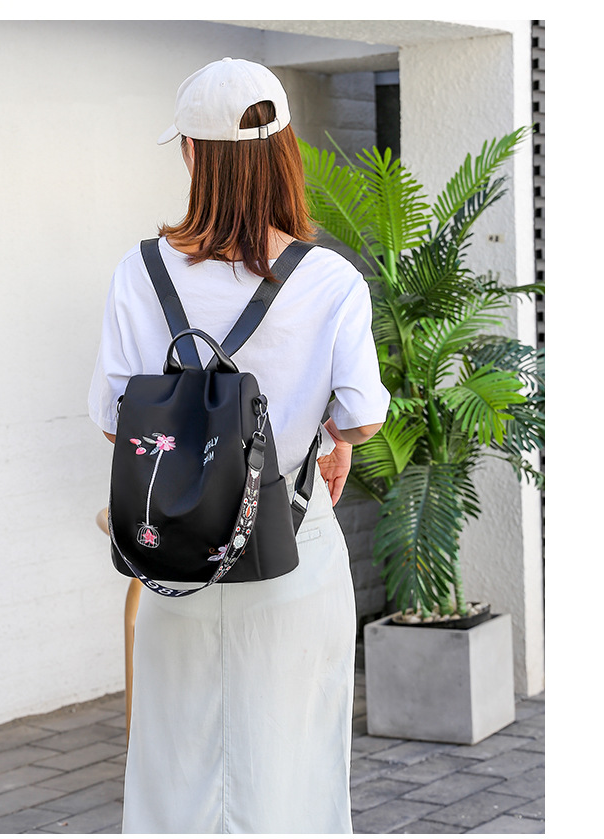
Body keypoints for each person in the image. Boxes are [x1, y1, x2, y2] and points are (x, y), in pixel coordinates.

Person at [88, 57, 389, 834]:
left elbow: (116, 417)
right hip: (291, 545)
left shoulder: (140, 272)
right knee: (294, 771)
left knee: (176, 772)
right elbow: (361, 417)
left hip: (175, 556)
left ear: (193, 153)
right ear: (285, 149)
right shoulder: (329, 281)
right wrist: (329, 434)